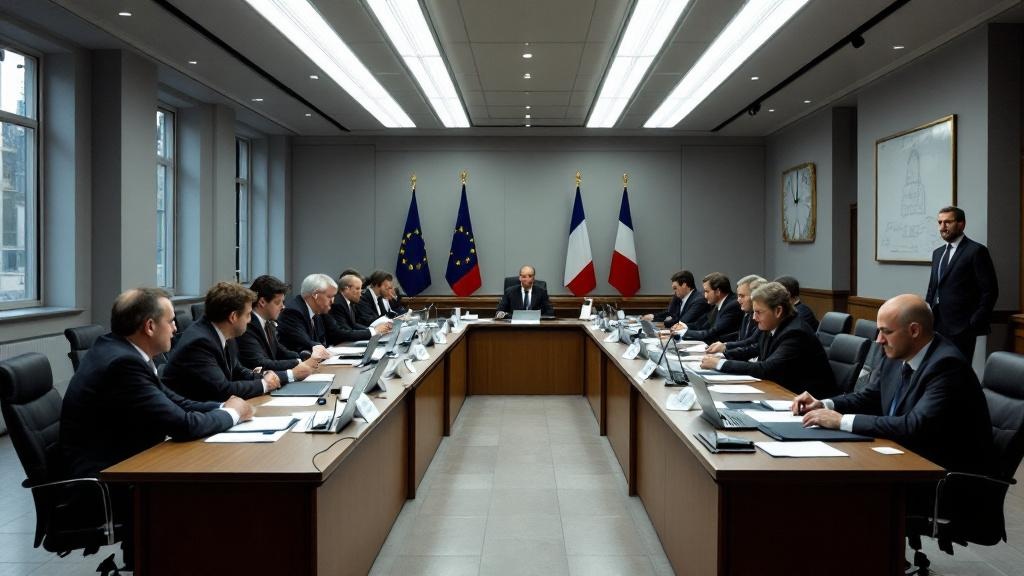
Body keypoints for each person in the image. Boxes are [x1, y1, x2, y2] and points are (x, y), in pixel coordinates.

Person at [60, 288, 253, 568]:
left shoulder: (123, 350)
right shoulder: (122, 363)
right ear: (150, 326)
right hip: (108, 482)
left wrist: (222, 408)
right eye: (171, 321)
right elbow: (182, 425)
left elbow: (175, 402)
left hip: (125, 462)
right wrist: (233, 415)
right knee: (217, 490)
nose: (176, 328)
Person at [793, 294, 992, 474]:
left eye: (885, 332)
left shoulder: (947, 366)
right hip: (902, 455)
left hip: (940, 473)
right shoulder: (896, 353)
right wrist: (825, 405)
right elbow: (870, 397)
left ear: (914, 330)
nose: (879, 340)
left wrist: (841, 421)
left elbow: (914, 426)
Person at [701, 282, 835, 398]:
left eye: (758, 312)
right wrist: (722, 356)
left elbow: (768, 368)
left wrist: (720, 364)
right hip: (780, 391)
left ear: (778, 311)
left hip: (806, 401)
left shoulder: (795, 332)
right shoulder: (772, 325)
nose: (754, 317)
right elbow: (755, 349)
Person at [163, 282, 285, 401]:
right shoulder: (199, 343)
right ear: (233, 317)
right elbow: (223, 390)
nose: (249, 320)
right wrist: (264, 384)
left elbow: (237, 370)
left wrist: (263, 376)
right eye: (248, 315)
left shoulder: (225, 333)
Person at [925, 206, 999, 361]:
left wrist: (972, 323)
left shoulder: (976, 251)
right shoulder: (937, 253)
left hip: (962, 328)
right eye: (940, 222)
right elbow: (933, 288)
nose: (942, 227)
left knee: (959, 371)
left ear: (961, 224)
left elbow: (990, 291)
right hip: (936, 324)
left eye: (947, 222)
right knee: (936, 368)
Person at [236, 275, 329, 374]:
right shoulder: (246, 326)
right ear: (262, 302)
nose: (283, 306)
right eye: (277, 302)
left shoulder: (267, 322)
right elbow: (260, 363)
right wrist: (299, 362)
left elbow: (281, 351)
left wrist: (305, 357)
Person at [277, 273, 347, 351]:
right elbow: (306, 343)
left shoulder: (318, 311)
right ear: (315, 295)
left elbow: (333, 335)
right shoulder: (293, 312)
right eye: (329, 296)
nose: (332, 301)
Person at [706, 275, 766, 360]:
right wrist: (724, 346)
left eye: (742, 296)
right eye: (738, 296)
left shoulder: (761, 319)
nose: (738, 300)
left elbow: (751, 344)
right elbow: (743, 340)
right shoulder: (747, 314)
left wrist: (724, 349)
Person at [672, 272, 742, 344]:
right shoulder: (718, 304)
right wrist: (683, 326)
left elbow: (713, 333)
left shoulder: (732, 306)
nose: (705, 296)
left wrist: (684, 332)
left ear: (717, 292)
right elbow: (702, 324)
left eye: (707, 291)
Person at [330, 273, 393, 342]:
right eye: (357, 288)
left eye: (361, 288)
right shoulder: (338, 304)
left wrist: (374, 329)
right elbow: (343, 333)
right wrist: (373, 331)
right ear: (346, 289)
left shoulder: (349, 302)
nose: (361, 292)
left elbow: (353, 325)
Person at [641, 270, 710, 328]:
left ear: (684, 285)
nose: (674, 291)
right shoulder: (679, 296)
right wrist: (653, 317)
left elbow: (682, 322)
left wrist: (659, 324)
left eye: (675, 288)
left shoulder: (699, 300)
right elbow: (669, 312)